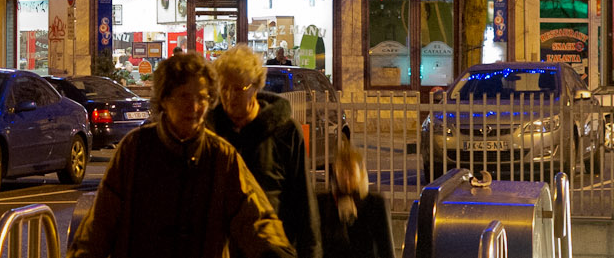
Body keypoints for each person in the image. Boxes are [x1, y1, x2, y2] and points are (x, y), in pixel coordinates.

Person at [67, 53, 296, 258]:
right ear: (165, 100)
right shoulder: (135, 149)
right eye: (185, 96)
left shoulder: (221, 156)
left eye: (202, 98)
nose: (195, 107)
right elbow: (100, 226)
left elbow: (255, 219)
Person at [210, 46, 319, 258]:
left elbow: (303, 203)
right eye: (223, 88)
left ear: (256, 86)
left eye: (238, 88)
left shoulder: (285, 131)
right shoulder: (211, 132)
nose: (229, 96)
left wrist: (311, 252)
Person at [320, 144, 394, 258]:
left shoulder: (375, 202)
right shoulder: (324, 202)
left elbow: (386, 248)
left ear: (361, 171)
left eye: (351, 173)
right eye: (341, 173)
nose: (347, 180)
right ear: (335, 171)